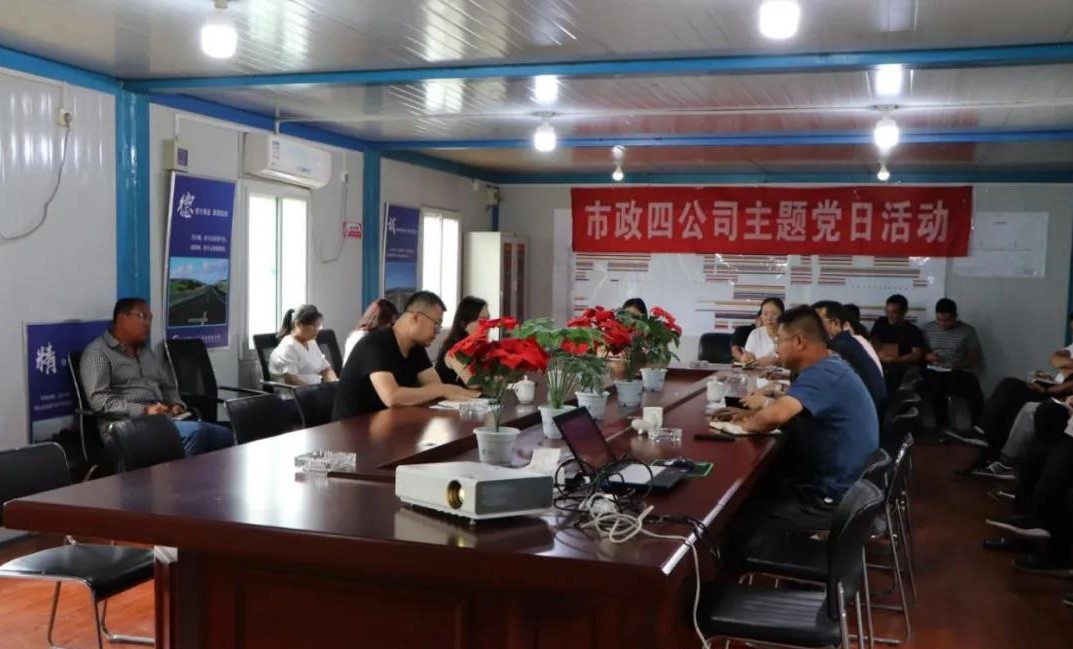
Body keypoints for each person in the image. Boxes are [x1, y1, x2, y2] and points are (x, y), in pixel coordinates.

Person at [721, 306, 879, 531]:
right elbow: (794, 413)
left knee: (738, 514)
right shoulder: (831, 366)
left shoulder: (823, 372)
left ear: (799, 342)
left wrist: (744, 424)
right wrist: (751, 413)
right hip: (843, 488)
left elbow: (771, 418)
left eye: (778, 341)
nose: (776, 349)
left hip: (832, 499)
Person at [80, 297, 234, 457]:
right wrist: (144, 410)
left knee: (225, 435)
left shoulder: (146, 352)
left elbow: (167, 385)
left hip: (161, 421)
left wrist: (175, 404)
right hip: (125, 429)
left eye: (150, 318)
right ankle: (180, 474)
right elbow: (99, 401)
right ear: (121, 319)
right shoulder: (98, 352)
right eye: (142, 317)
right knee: (196, 432)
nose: (148, 324)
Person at [333, 291, 479, 419]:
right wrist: (442, 390)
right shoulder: (375, 344)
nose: (438, 330)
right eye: (436, 323)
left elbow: (434, 386)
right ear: (415, 317)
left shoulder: (416, 347)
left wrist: (445, 391)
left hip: (390, 425)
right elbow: (392, 397)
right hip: (352, 431)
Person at [812, 300, 887, 415]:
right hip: (872, 411)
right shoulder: (848, 341)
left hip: (864, 415)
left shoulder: (838, 347)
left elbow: (821, 387)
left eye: (818, 323)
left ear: (836, 323)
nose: (812, 329)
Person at [919, 298, 985, 428]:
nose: (942, 324)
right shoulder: (927, 328)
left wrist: (957, 365)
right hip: (933, 370)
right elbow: (919, 352)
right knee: (935, 385)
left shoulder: (967, 331)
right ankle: (942, 427)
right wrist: (927, 356)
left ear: (955, 317)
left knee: (973, 385)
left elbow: (973, 358)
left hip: (956, 371)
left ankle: (978, 427)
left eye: (947, 320)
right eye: (939, 320)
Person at [268, 305, 337, 386]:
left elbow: (326, 369)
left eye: (318, 326)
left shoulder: (311, 342)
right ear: (298, 324)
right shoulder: (288, 347)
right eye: (313, 326)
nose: (317, 330)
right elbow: (291, 380)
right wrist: (316, 390)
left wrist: (334, 384)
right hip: (295, 392)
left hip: (315, 389)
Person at [870, 294, 926, 393]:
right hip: (880, 361)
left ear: (904, 312)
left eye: (894, 312)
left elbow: (916, 355)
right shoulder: (881, 322)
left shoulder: (913, 330)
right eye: (887, 311)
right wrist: (878, 352)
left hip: (901, 365)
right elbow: (874, 342)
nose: (890, 316)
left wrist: (894, 358)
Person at [435, 296, 490, 387]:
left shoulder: (480, 348)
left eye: (488, 319)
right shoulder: (454, 350)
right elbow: (475, 385)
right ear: (464, 325)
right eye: (482, 320)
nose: (488, 325)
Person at [344, 299, 399, 364]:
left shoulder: (373, 337)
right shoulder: (361, 337)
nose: (392, 328)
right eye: (391, 324)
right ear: (381, 320)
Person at [742, 297, 784, 366]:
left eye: (774, 313)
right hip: (758, 372)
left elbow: (795, 360)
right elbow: (749, 355)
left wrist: (775, 361)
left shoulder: (790, 334)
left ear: (782, 315)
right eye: (765, 313)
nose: (769, 318)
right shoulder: (755, 334)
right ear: (761, 316)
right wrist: (747, 358)